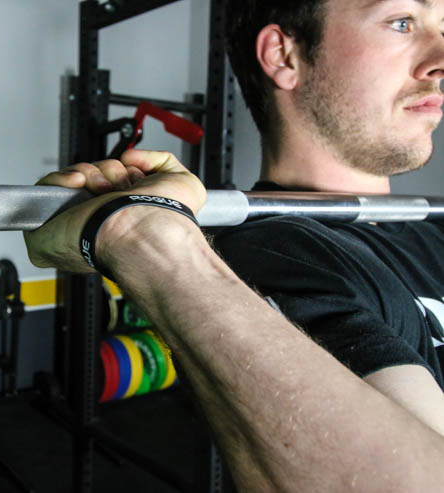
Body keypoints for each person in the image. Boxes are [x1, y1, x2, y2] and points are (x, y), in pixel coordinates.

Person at [24, 0, 444, 491]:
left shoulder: (432, 228)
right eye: (402, 22)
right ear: (284, 56)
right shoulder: (277, 253)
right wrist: (139, 237)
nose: (439, 57)